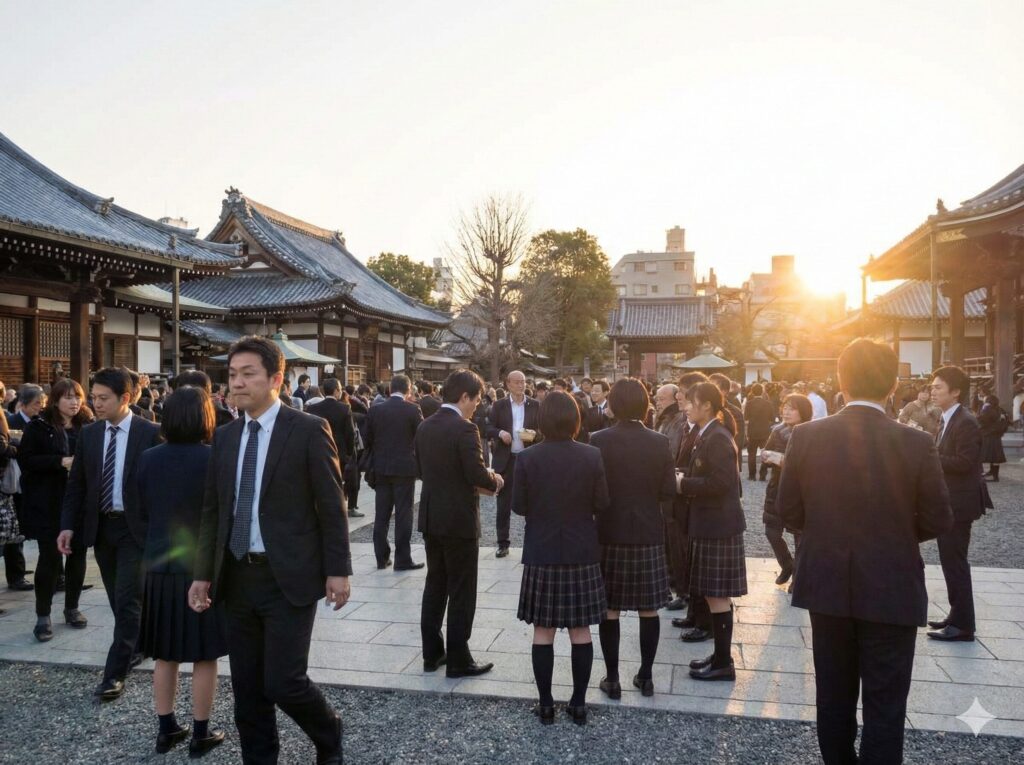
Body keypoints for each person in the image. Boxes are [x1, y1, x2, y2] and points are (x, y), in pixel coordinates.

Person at [777, 340, 953, 763]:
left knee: (833, 696)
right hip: (891, 583)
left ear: (841, 381)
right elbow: (938, 517)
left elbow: (788, 510)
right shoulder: (915, 442)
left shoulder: (806, 436)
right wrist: (893, 533)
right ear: (893, 385)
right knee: (886, 705)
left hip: (828, 583)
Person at [188, 336, 350, 765]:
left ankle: (328, 732)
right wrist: (203, 572)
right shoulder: (224, 437)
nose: (236, 384)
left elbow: (332, 506)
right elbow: (213, 510)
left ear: (276, 379)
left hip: (288, 576)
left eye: (248, 375)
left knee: (284, 680)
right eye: (232, 375)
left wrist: (338, 570)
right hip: (237, 576)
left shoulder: (308, 430)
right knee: (247, 688)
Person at [58, 367, 162, 700]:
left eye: (103, 398)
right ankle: (138, 643)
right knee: (120, 597)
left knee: (128, 597)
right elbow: (77, 486)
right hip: (101, 527)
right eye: (94, 397)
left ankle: (114, 672)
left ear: (126, 398)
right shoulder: (89, 434)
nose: (95, 404)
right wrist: (67, 525)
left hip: (136, 530)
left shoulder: (150, 433)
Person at [137, 386, 227, 756]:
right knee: (204, 654)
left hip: (159, 563)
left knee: (165, 653)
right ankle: (201, 732)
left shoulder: (148, 458)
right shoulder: (214, 459)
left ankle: (165, 728)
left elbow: (139, 510)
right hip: (201, 567)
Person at [512, 390, 608, 725]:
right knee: (581, 630)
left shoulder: (527, 459)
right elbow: (601, 503)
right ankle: (579, 704)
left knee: (544, 630)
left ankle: (546, 705)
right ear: (575, 419)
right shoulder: (591, 455)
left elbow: (519, 506)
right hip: (581, 551)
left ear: (541, 420)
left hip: (543, 550)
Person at [590, 379, 676, 698]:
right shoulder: (659, 441)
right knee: (649, 608)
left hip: (609, 531)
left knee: (609, 608)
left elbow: (594, 492)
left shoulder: (597, 440)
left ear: (613, 403)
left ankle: (612, 677)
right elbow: (669, 490)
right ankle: (646, 675)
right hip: (647, 532)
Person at [416, 369, 502, 679]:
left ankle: (432, 653)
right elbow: (477, 474)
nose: (477, 406)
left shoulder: (424, 426)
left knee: (435, 584)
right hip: (459, 519)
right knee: (462, 589)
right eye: (476, 401)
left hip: (430, 515)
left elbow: (422, 469)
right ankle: (459, 657)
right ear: (463, 397)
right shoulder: (465, 429)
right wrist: (495, 479)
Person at [677, 382, 746, 681]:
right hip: (711, 523)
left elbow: (722, 484)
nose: (686, 405)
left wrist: (684, 484)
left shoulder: (717, 437)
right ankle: (720, 656)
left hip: (718, 526)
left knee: (718, 596)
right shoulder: (709, 433)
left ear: (706, 405)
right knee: (713, 595)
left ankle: (723, 663)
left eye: (691, 401)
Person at [18, 379, 93, 641]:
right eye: (68, 397)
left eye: (78, 397)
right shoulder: (40, 427)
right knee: (49, 558)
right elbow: (26, 460)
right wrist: (59, 461)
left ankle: (71, 607)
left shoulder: (88, 426)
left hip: (79, 502)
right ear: (55, 399)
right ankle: (43, 614)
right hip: (49, 502)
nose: (74, 402)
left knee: (78, 556)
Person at [927, 365, 991, 643]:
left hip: (960, 503)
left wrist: (930, 457)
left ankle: (963, 625)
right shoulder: (947, 417)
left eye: (938, 387)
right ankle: (956, 615)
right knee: (949, 560)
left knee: (955, 562)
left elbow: (966, 463)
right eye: (932, 386)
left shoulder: (966, 421)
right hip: (950, 500)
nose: (932, 390)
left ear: (955, 392)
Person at [365, 374, 424, 570]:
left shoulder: (375, 410)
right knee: (403, 513)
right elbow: (421, 437)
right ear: (409, 391)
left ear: (390, 389)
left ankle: (381, 558)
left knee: (381, 514)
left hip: (381, 466)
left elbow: (368, 438)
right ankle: (402, 559)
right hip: (405, 467)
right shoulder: (412, 409)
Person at [485, 370, 541, 558]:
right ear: (508, 384)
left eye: (523, 382)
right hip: (506, 459)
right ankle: (503, 543)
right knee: (503, 503)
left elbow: (543, 430)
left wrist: (534, 434)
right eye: (516, 382)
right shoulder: (499, 405)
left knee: (532, 501)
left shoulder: (535, 405)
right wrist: (500, 433)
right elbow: (488, 427)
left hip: (528, 458)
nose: (520, 385)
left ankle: (532, 541)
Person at [760, 393, 812, 587]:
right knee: (771, 532)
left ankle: (798, 578)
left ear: (804, 411)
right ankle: (787, 564)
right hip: (777, 487)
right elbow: (765, 452)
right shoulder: (777, 430)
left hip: (800, 491)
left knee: (800, 536)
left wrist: (782, 460)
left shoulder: (810, 432)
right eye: (785, 406)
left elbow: (811, 464)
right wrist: (767, 456)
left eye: (792, 408)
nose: (786, 411)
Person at [4, 384, 44, 592]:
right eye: (37, 403)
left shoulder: (40, 422)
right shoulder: (10, 421)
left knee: (22, 528)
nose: (40, 407)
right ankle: (15, 575)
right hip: (12, 481)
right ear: (23, 404)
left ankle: (19, 568)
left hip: (31, 481)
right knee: (13, 531)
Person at [307, 378, 361, 518]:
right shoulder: (344, 408)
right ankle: (350, 507)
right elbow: (349, 433)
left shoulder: (313, 408)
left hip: (318, 449)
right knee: (348, 479)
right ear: (337, 390)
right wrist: (350, 453)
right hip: (340, 450)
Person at [743, 383, 776, 481]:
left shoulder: (749, 403)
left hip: (752, 431)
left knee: (751, 454)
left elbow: (746, 418)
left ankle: (752, 475)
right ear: (762, 392)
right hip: (764, 431)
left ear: (752, 392)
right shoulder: (768, 403)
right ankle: (762, 475)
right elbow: (772, 418)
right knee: (765, 453)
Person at [978, 394, 1008, 482]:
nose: (983, 399)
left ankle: (994, 477)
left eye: (985, 398)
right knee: (995, 456)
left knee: (989, 455)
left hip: (989, 435)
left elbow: (981, 419)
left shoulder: (987, 408)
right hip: (997, 435)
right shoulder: (999, 409)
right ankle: (993, 473)